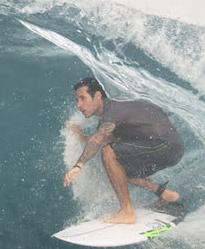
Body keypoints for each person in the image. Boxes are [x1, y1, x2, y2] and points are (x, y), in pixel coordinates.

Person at [62, 77, 185, 224]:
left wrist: (78, 166)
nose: (79, 105)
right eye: (77, 100)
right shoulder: (115, 109)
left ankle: (127, 212)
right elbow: (105, 139)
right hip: (166, 146)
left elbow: (99, 140)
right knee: (117, 170)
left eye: (83, 98)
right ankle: (165, 194)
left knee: (109, 153)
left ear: (98, 96)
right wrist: (83, 136)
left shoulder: (111, 113)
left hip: (165, 145)